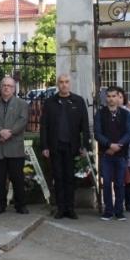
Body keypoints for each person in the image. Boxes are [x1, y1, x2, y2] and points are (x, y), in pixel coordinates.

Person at [39, 73, 90, 220]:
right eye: (61, 82)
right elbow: (44, 126)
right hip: (55, 147)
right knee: (58, 178)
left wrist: (85, 145)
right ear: (57, 84)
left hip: (71, 147)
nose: (64, 85)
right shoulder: (50, 102)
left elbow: (85, 125)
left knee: (70, 178)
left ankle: (70, 208)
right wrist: (44, 146)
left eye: (67, 82)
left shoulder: (78, 101)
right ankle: (61, 208)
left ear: (70, 83)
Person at [0, 77, 31, 215]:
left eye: (9, 86)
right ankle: (0, 205)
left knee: (17, 178)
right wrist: (0, 131)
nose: (6, 87)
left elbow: (22, 121)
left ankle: (20, 205)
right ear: (0, 88)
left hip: (15, 146)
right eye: (4, 85)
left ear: (14, 88)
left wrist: (8, 133)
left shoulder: (22, 104)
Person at [94, 86, 130, 220]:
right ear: (106, 98)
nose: (111, 99)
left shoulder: (125, 114)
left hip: (120, 155)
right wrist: (109, 145)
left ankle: (118, 210)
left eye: (114, 96)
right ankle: (108, 210)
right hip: (106, 155)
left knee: (119, 183)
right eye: (109, 96)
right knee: (106, 184)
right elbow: (97, 133)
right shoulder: (100, 114)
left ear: (118, 98)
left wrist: (118, 146)